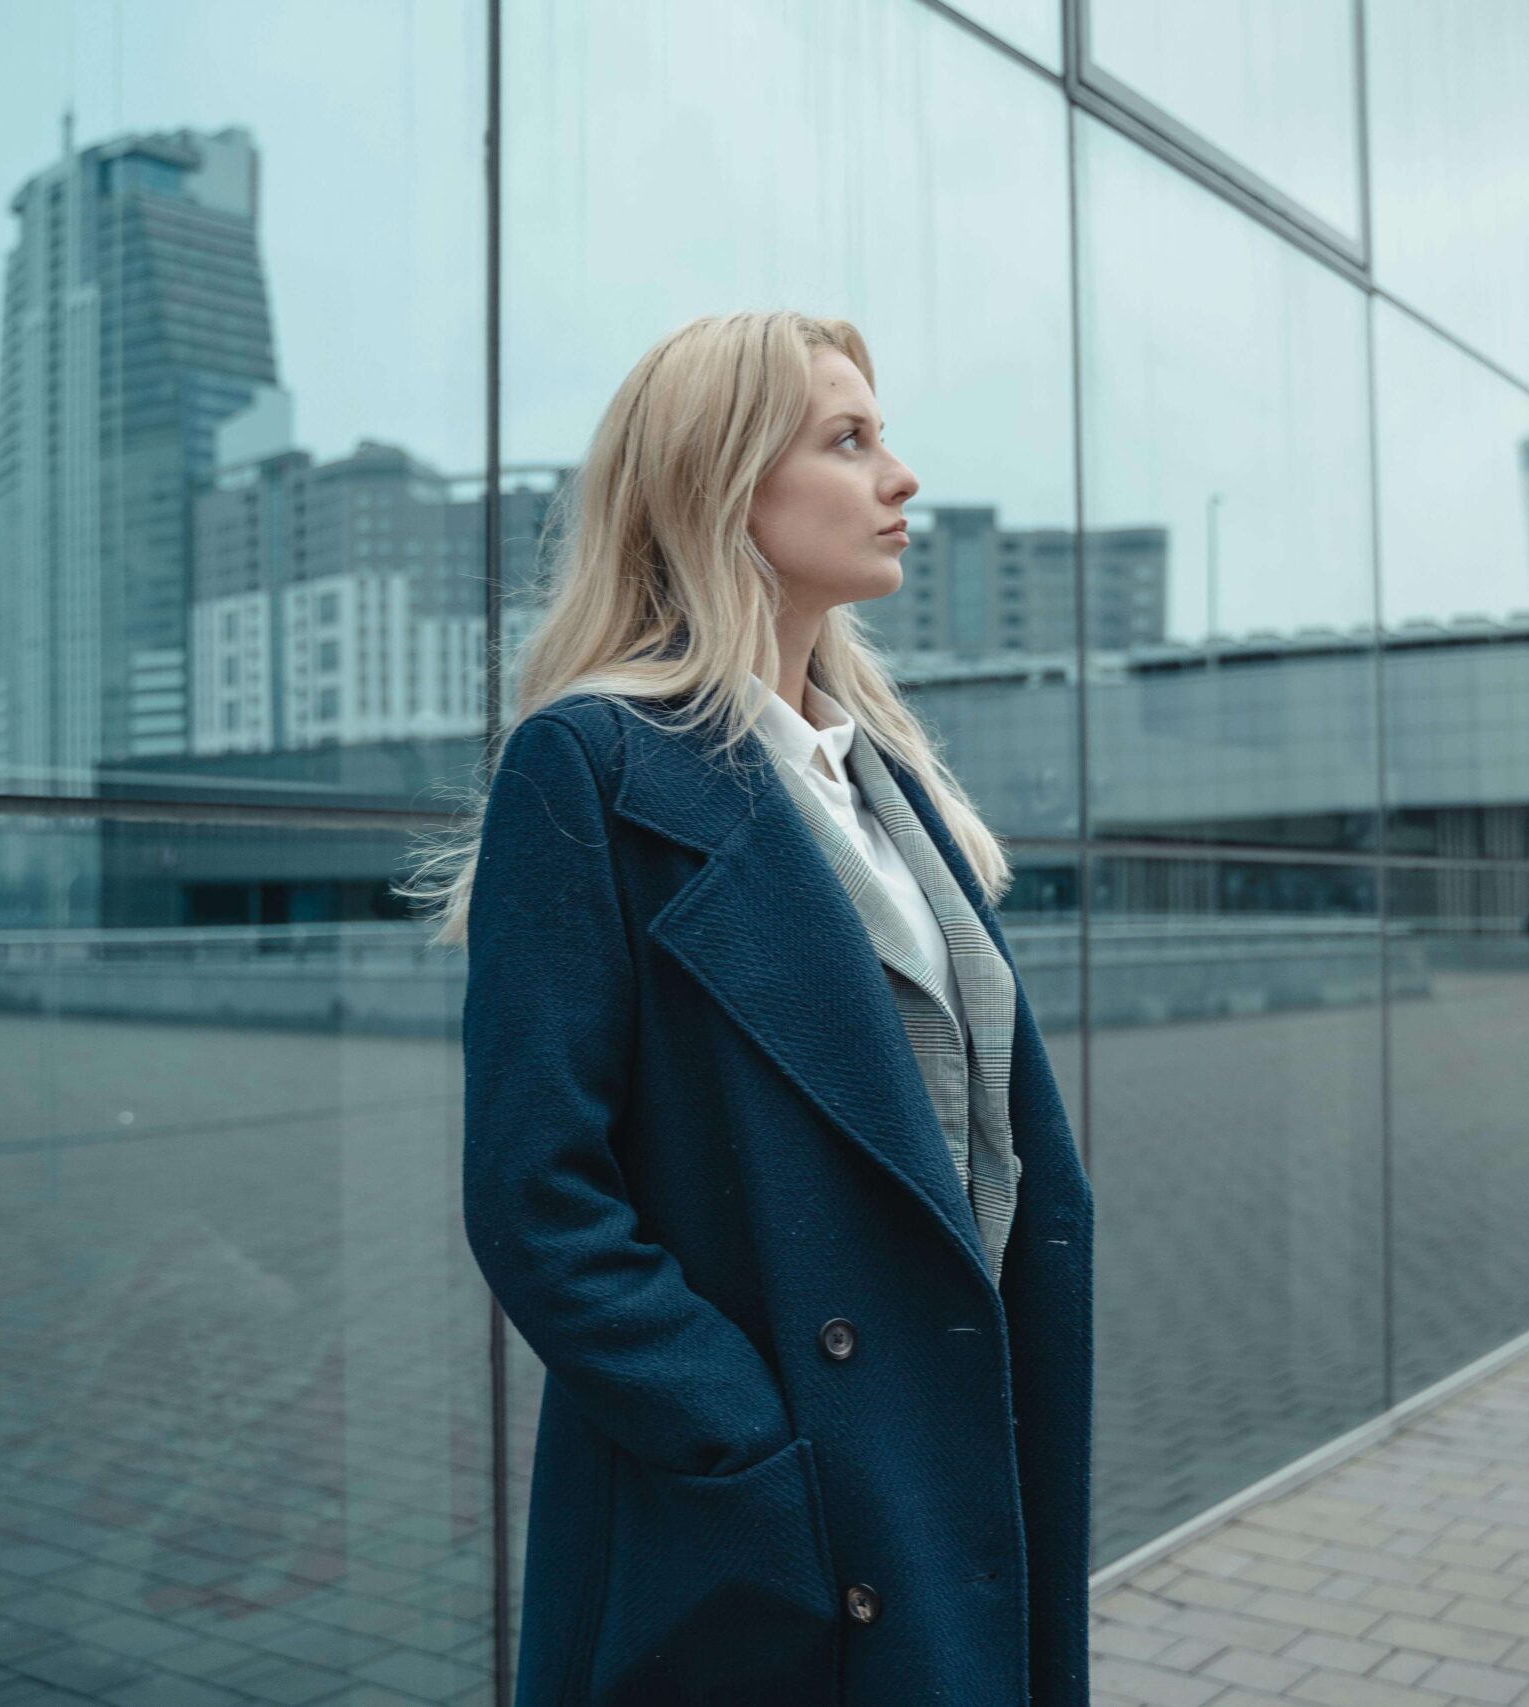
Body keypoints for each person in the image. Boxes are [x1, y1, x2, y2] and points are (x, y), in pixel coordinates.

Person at [404, 312, 1094, 1705]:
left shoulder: (888, 782)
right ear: (723, 481)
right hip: (770, 1530)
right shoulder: (589, 767)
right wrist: (754, 1453)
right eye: (849, 439)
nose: (899, 476)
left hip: (952, 1472)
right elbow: (539, 1197)